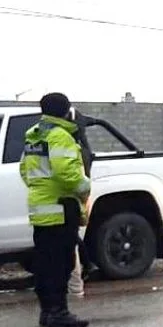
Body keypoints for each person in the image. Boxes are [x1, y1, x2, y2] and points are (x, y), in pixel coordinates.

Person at [20, 94, 91, 327]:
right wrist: (85, 188)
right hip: (61, 208)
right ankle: (59, 312)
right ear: (65, 111)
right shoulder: (60, 136)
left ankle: (47, 312)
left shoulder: (34, 135)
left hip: (41, 209)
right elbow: (66, 173)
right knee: (62, 263)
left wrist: (41, 189)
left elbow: (24, 170)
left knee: (45, 262)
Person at [68, 111, 95, 298]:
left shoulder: (68, 144)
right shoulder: (78, 142)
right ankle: (88, 263)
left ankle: (77, 287)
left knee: (71, 238)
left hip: (73, 195)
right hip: (78, 194)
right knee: (73, 235)